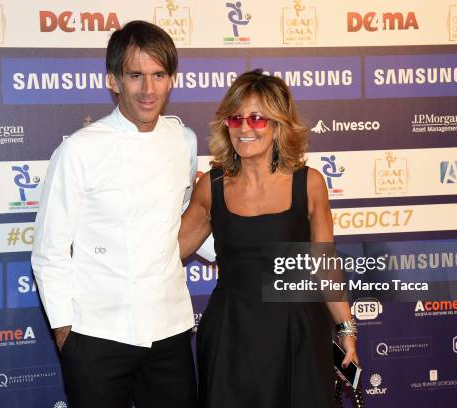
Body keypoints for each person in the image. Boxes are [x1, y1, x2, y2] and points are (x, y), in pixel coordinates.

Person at [32, 20, 198, 408]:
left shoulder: (183, 140)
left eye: (159, 75)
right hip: (97, 335)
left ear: (171, 80)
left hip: (169, 332)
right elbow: (49, 251)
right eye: (135, 75)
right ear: (113, 80)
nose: (148, 88)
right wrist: (66, 337)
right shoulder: (79, 151)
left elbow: (185, 217)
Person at [179, 69, 358, 407]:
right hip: (233, 335)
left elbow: (325, 263)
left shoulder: (309, 183)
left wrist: (346, 329)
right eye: (236, 118)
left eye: (258, 118)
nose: (245, 128)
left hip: (299, 331)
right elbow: (170, 251)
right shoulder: (211, 186)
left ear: (278, 125)